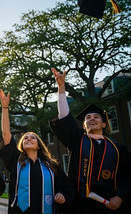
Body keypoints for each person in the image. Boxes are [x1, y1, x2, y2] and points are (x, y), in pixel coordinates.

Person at [49, 68, 131, 213]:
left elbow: (128, 177)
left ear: (104, 124)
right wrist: (61, 88)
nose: (92, 118)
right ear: (84, 125)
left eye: (96, 117)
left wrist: (120, 197)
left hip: (110, 206)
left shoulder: (118, 149)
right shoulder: (77, 140)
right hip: (81, 206)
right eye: (88, 117)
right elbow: (65, 117)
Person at [0, 89, 74, 214]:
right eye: (25, 138)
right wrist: (5, 108)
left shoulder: (51, 166)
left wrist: (62, 195)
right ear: (21, 144)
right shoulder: (16, 161)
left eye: (33, 138)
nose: (28, 139)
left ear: (39, 145)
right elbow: (6, 134)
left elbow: (66, 188)